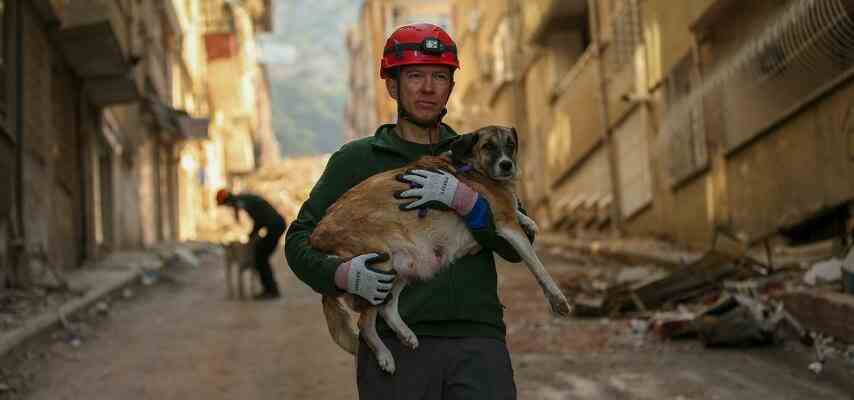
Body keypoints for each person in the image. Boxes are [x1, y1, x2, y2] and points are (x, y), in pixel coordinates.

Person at [285, 23, 528, 399]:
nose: (428, 88)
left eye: (440, 76)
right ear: (393, 86)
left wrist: (473, 207)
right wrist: (341, 274)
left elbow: (518, 246)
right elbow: (298, 242)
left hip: (478, 342)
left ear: (450, 86)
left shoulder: (481, 153)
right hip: (396, 346)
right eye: (415, 76)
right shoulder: (357, 160)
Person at [216, 189, 285, 301]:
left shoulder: (241, 201)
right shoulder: (243, 199)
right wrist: (253, 234)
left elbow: (260, 219)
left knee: (260, 257)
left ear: (227, 200)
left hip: (275, 225)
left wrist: (252, 234)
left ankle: (271, 290)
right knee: (261, 256)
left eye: (226, 204)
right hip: (277, 224)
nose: (228, 207)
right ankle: (271, 288)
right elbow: (259, 218)